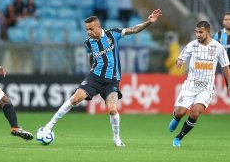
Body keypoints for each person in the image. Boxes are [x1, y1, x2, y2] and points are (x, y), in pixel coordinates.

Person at [44, 9, 162, 147]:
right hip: (95, 77)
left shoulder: (113, 34)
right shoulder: (89, 43)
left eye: (91, 29)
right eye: (87, 30)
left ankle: (116, 139)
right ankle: (48, 126)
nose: (88, 32)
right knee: (75, 99)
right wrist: (91, 69)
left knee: (112, 109)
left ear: (99, 27)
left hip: (112, 79)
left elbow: (134, 30)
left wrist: (149, 22)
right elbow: (91, 56)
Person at [168, 21, 230, 147]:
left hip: (206, 88)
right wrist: (179, 61)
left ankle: (179, 138)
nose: (198, 34)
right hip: (190, 85)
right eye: (196, 32)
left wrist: (229, 84)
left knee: (195, 112)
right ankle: (176, 118)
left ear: (208, 31)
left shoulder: (218, 47)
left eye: (200, 32)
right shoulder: (192, 45)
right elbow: (181, 57)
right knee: (180, 112)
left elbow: (225, 67)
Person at [213, 12, 230, 87]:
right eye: (225, 19)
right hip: (221, 68)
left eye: (229, 19)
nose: (227, 21)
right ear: (223, 21)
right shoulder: (218, 34)